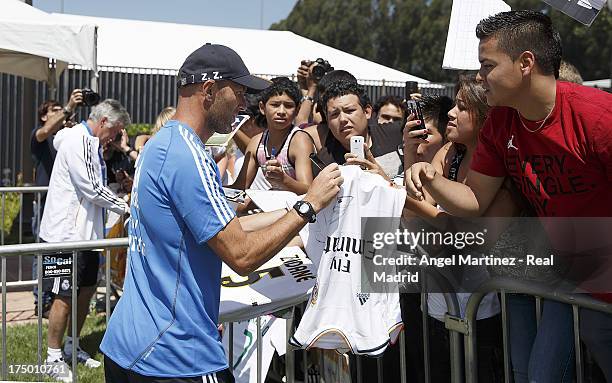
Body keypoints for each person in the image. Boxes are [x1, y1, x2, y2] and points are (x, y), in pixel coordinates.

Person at [100, 43, 343, 383]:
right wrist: (308, 205)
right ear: (210, 90)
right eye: (240, 92)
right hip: (176, 353)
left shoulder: (159, 143)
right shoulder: (191, 155)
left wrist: (288, 208)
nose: (246, 104)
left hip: (129, 343)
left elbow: (220, 226)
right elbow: (241, 254)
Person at [405, 10, 612, 382]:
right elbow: (474, 200)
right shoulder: (501, 121)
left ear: (525, 63)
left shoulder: (599, 118)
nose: (480, 78)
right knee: (539, 375)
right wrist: (430, 177)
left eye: (487, 65)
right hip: (567, 278)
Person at [39, 99, 131, 382]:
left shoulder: (90, 142)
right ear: (103, 122)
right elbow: (91, 188)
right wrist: (126, 206)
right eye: (115, 131)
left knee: (85, 292)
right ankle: (52, 357)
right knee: (63, 298)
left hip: (87, 237)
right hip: (64, 236)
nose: (116, 138)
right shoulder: (78, 141)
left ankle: (71, 345)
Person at [30, 89, 82, 318]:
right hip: (44, 204)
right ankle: (40, 301)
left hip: (64, 206)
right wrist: (69, 108)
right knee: (41, 252)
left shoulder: (66, 137)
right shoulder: (40, 137)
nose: (60, 115)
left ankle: (55, 298)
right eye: (55, 112)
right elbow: (45, 132)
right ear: (44, 116)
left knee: (59, 253)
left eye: (61, 111)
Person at [231, 77, 315, 193]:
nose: (281, 111)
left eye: (288, 106)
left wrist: (284, 180)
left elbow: (308, 189)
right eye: (275, 105)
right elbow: (240, 187)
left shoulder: (299, 140)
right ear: (262, 108)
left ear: (297, 110)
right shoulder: (256, 143)